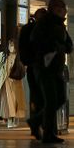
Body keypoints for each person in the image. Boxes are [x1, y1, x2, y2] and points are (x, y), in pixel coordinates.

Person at [30, 0, 73, 144]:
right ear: (53, 9)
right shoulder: (44, 24)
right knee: (51, 100)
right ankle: (48, 133)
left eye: (64, 9)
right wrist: (52, 46)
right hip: (44, 68)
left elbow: (69, 45)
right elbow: (35, 41)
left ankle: (36, 121)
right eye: (60, 9)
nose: (63, 12)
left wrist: (61, 47)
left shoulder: (61, 25)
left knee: (60, 98)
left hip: (56, 68)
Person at [19, 8, 46, 140]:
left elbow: (22, 49)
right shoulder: (45, 29)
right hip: (43, 68)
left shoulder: (26, 29)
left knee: (36, 96)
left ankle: (37, 124)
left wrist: (27, 61)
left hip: (32, 67)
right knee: (46, 96)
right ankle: (40, 124)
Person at [1, 37, 27, 128]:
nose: (10, 47)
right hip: (8, 82)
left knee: (15, 101)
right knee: (10, 102)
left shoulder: (18, 57)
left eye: (12, 45)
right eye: (9, 45)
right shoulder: (7, 57)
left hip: (15, 82)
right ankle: (11, 119)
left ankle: (14, 119)